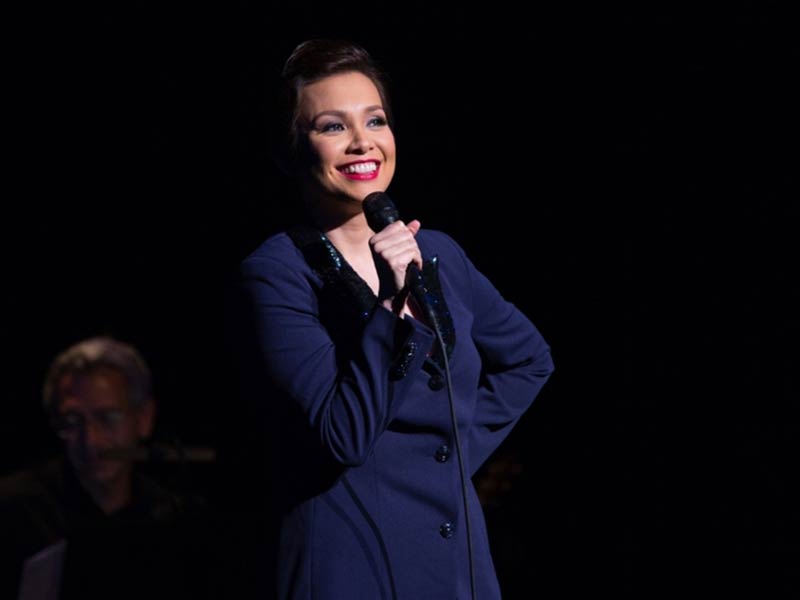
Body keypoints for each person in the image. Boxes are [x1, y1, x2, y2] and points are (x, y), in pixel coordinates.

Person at [236, 38, 555, 599]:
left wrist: (448, 459)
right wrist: (391, 308)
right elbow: (343, 436)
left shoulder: (440, 253)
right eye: (332, 126)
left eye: (375, 120)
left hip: (458, 560)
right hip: (347, 562)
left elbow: (529, 360)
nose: (363, 142)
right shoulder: (278, 272)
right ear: (293, 151)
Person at [0, 336, 214, 600]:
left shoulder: (172, 517)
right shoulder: (14, 510)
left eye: (108, 418)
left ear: (143, 418)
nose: (92, 440)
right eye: (72, 420)